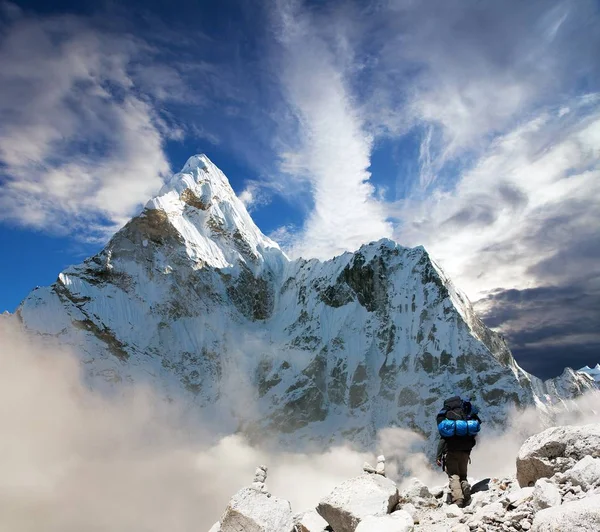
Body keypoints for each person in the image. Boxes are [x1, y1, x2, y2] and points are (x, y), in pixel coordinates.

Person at [435, 396, 481, 508]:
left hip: (450, 451)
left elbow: (443, 440)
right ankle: (465, 490)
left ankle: (458, 500)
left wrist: (438, 456)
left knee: (454, 475)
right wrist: (468, 450)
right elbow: (473, 437)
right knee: (463, 475)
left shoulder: (448, 420)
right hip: (465, 452)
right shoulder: (466, 417)